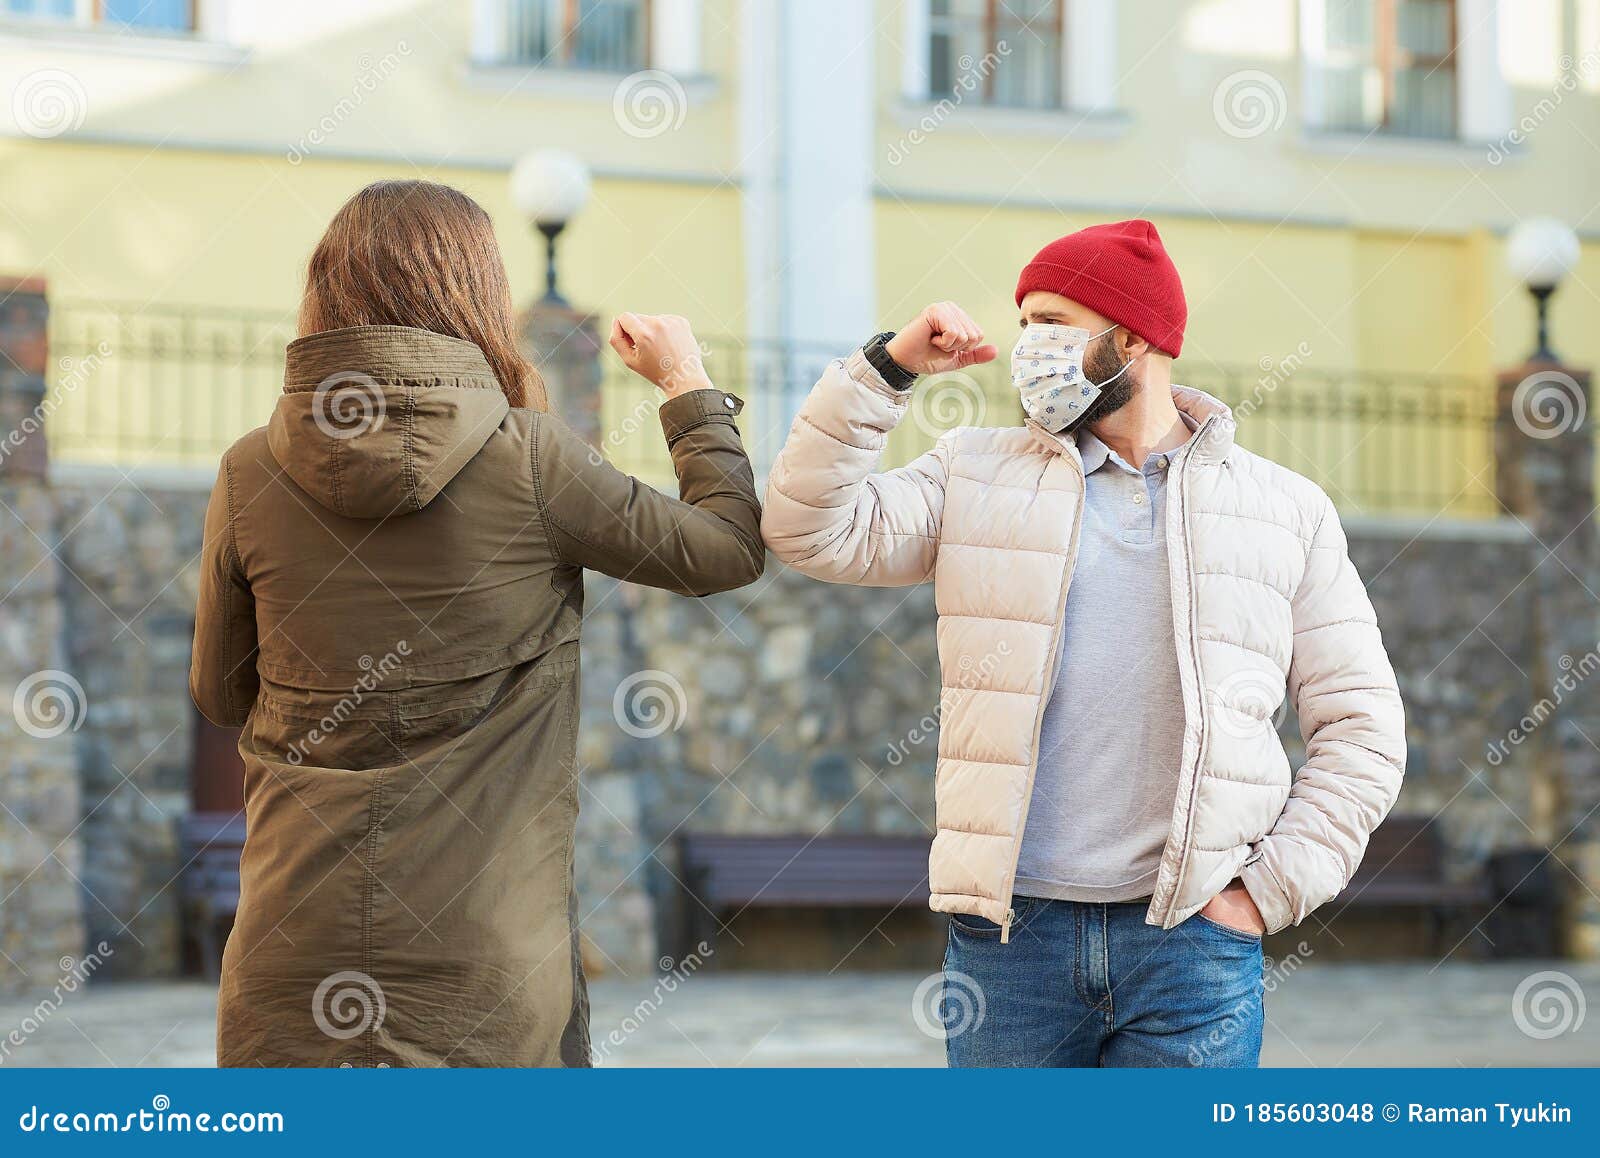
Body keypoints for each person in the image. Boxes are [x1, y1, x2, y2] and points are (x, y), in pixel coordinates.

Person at [761, 219, 1405, 1067]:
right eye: (1023, 323)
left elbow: (1362, 728)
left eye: (1054, 323)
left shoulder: (1285, 510)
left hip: (1191, 948)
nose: (1030, 347)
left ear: (1132, 338)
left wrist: (1261, 893)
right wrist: (890, 369)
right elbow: (811, 530)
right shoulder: (974, 473)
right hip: (1009, 946)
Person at [189, 179, 763, 1067]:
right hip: (484, 966)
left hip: (291, 954)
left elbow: (222, 695)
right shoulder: (534, 460)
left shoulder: (248, 471)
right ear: (474, 292)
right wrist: (686, 385)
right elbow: (725, 549)